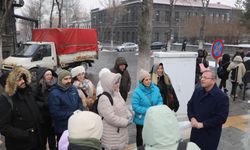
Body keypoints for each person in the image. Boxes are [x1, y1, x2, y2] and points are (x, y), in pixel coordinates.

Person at [0, 67, 43, 150]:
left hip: (36, 141)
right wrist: (25, 134)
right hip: (20, 145)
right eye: (19, 80)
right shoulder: (6, 100)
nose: (23, 81)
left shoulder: (28, 92)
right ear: (11, 83)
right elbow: (4, 127)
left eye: (23, 78)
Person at [187, 70, 229, 150]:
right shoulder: (198, 90)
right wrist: (192, 118)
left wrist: (203, 124)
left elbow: (222, 117)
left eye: (205, 78)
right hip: (195, 132)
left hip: (210, 135)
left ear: (213, 80)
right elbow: (190, 104)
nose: (202, 79)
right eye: (201, 77)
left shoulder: (221, 97)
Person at [97, 71, 133, 150]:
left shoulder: (117, 93)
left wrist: (129, 115)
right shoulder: (104, 98)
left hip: (120, 132)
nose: (118, 85)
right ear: (108, 84)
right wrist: (125, 122)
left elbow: (123, 106)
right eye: (115, 83)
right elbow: (110, 118)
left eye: (118, 82)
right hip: (112, 136)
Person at [48, 69, 83, 145]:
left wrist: (80, 110)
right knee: (64, 146)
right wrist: (72, 114)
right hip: (63, 128)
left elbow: (79, 101)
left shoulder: (73, 88)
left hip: (75, 125)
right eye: (66, 79)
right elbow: (55, 113)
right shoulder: (54, 94)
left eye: (70, 78)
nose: (69, 81)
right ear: (60, 80)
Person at [132, 69, 163, 148]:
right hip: (141, 120)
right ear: (142, 81)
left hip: (153, 119)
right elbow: (135, 106)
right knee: (140, 138)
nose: (149, 81)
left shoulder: (156, 89)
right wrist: (149, 110)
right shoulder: (137, 92)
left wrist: (156, 109)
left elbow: (160, 100)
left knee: (152, 138)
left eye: (149, 79)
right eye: (146, 80)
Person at [33, 67, 57, 150]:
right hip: (42, 116)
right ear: (43, 76)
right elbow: (33, 100)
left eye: (50, 74)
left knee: (52, 136)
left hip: (52, 116)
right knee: (43, 138)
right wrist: (43, 104)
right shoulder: (37, 86)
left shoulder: (55, 84)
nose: (49, 76)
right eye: (47, 74)